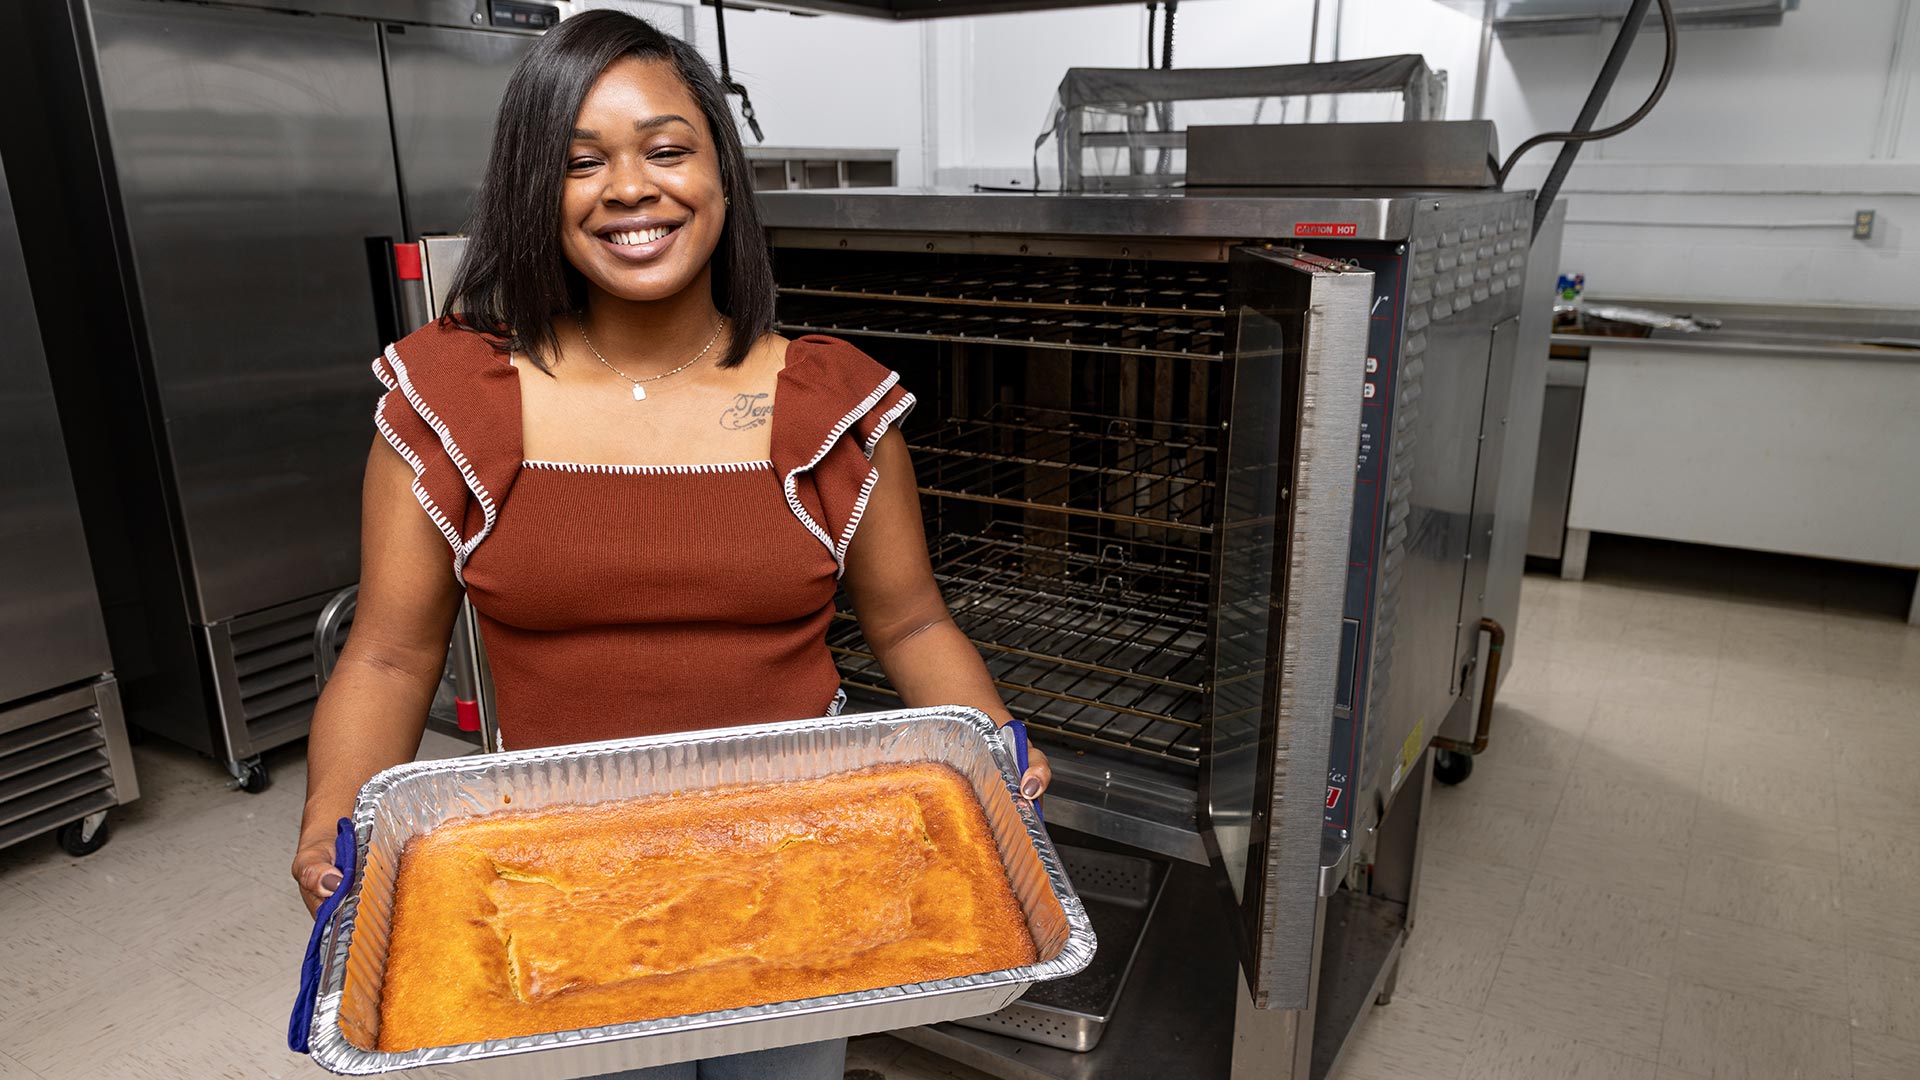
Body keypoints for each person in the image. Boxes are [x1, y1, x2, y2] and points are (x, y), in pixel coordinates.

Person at [289, 11, 1049, 1079]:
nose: (631, 187)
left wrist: (995, 745)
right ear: (532, 194)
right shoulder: (453, 399)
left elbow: (914, 619)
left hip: (801, 868)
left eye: (666, 149)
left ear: (721, 178)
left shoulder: (830, 403)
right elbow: (387, 653)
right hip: (561, 869)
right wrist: (334, 816)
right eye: (581, 161)